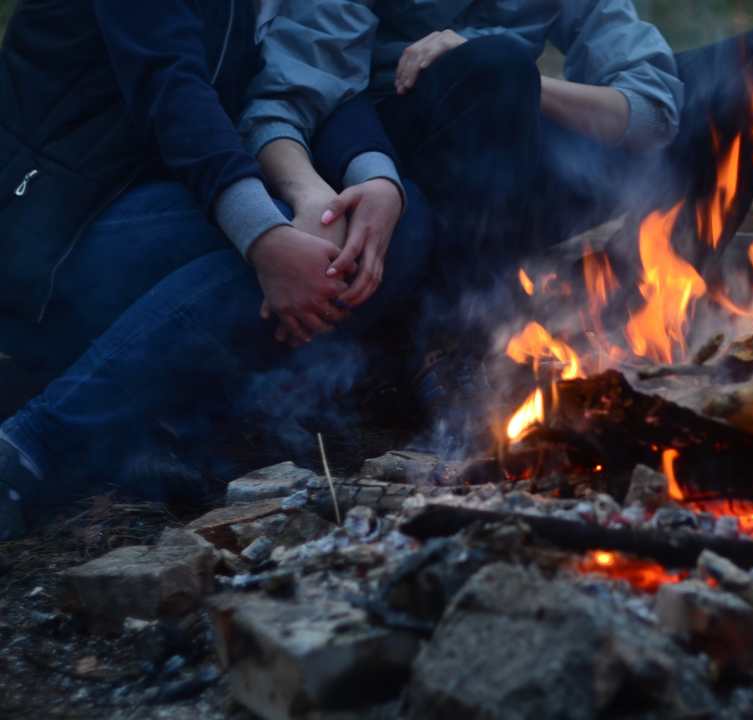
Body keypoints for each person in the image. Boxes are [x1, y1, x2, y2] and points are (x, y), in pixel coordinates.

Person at [0, 1, 434, 540]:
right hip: (53, 223)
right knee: (281, 247)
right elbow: (169, 86)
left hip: (170, 199)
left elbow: (303, 81)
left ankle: (178, 429)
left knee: (389, 228)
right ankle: (30, 447)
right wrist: (266, 237)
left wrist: (372, 177)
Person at [244, 0, 753, 296]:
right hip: (408, 191)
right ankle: (454, 342)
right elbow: (280, 106)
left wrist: (532, 87)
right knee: (494, 66)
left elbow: (654, 110)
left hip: (515, 167)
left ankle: (630, 300)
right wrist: (306, 198)